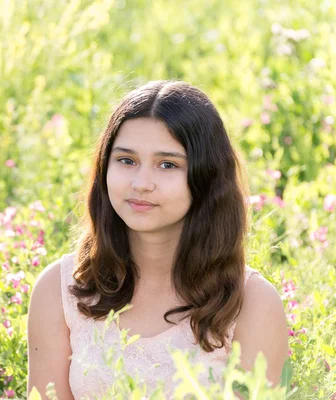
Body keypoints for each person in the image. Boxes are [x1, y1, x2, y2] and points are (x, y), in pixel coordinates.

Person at [27, 80, 289, 399]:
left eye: (168, 164)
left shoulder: (251, 303)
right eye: (126, 160)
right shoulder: (61, 289)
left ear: (206, 178)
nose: (141, 183)